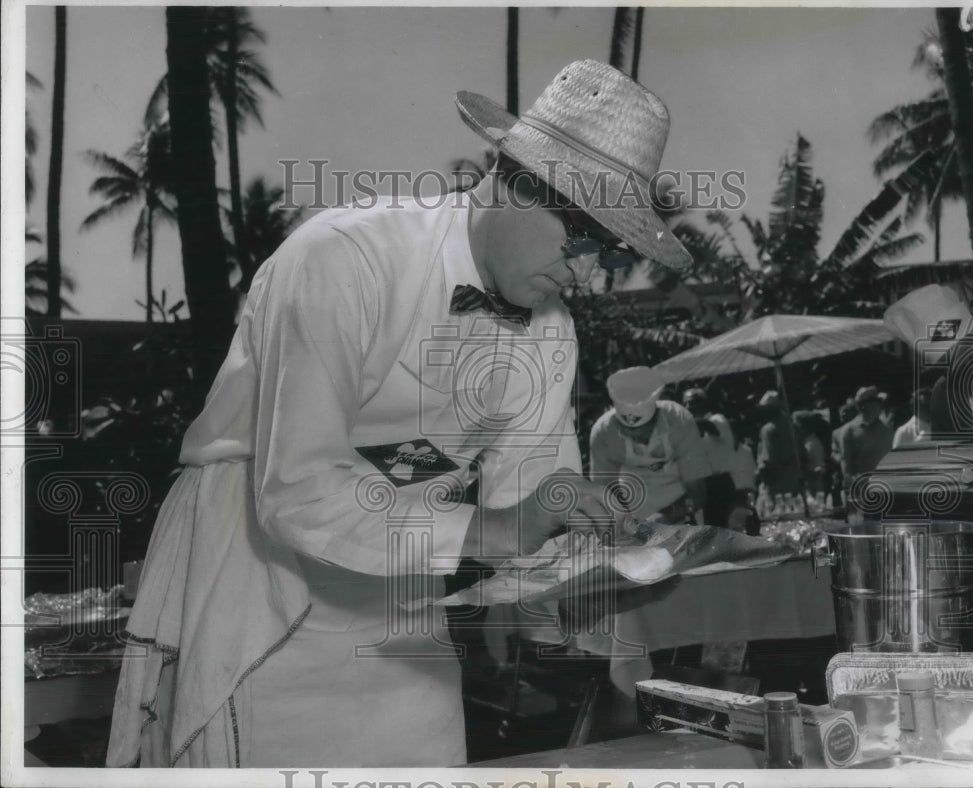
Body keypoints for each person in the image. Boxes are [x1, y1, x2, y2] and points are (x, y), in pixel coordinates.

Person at [107, 59, 692, 767]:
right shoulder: (341, 259)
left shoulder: (549, 328)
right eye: (586, 243)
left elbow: (526, 507)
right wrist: (500, 526)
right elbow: (297, 490)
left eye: (613, 254)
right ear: (515, 181)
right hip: (256, 579)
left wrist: (587, 541)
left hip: (404, 597)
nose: (590, 276)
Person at [589, 367, 711, 524]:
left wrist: (666, 517)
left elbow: (697, 490)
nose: (636, 437)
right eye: (628, 431)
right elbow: (604, 492)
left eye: (642, 431)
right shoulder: (603, 432)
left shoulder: (679, 420)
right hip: (630, 514)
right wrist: (628, 522)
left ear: (657, 416)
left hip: (681, 512)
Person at [682, 387, 739, 527]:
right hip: (702, 485)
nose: (688, 407)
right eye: (686, 404)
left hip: (720, 483)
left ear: (704, 403)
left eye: (693, 402)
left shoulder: (717, 419)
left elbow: (707, 425)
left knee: (722, 529)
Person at [841, 386, 894, 503]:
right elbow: (846, 460)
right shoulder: (850, 430)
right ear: (864, 406)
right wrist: (848, 485)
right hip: (863, 489)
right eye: (876, 402)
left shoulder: (886, 428)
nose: (880, 406)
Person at [756, 390, 802, 505]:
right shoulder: (793, 426)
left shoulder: (768, 429)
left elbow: (768, 459)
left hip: (776, 482)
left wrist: (759, 474)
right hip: (794, 478)